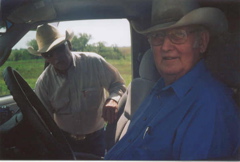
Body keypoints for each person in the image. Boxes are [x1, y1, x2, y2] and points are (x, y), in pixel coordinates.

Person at [105, 0, 240, 160]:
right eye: (157, 36)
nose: (165, 46)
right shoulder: (160, 87)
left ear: (202, 42)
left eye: (178, 35)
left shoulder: (210, 105)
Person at [27, 23, 126, 157]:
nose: (56, 57)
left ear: (69, 45)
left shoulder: (94, 62)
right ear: (44, 57)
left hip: (97, 138)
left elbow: (118, 84)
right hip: (64, 140)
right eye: (49, 54)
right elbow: (44, 120)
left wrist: (113, 99)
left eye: (59, 48)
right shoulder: (44, 83)